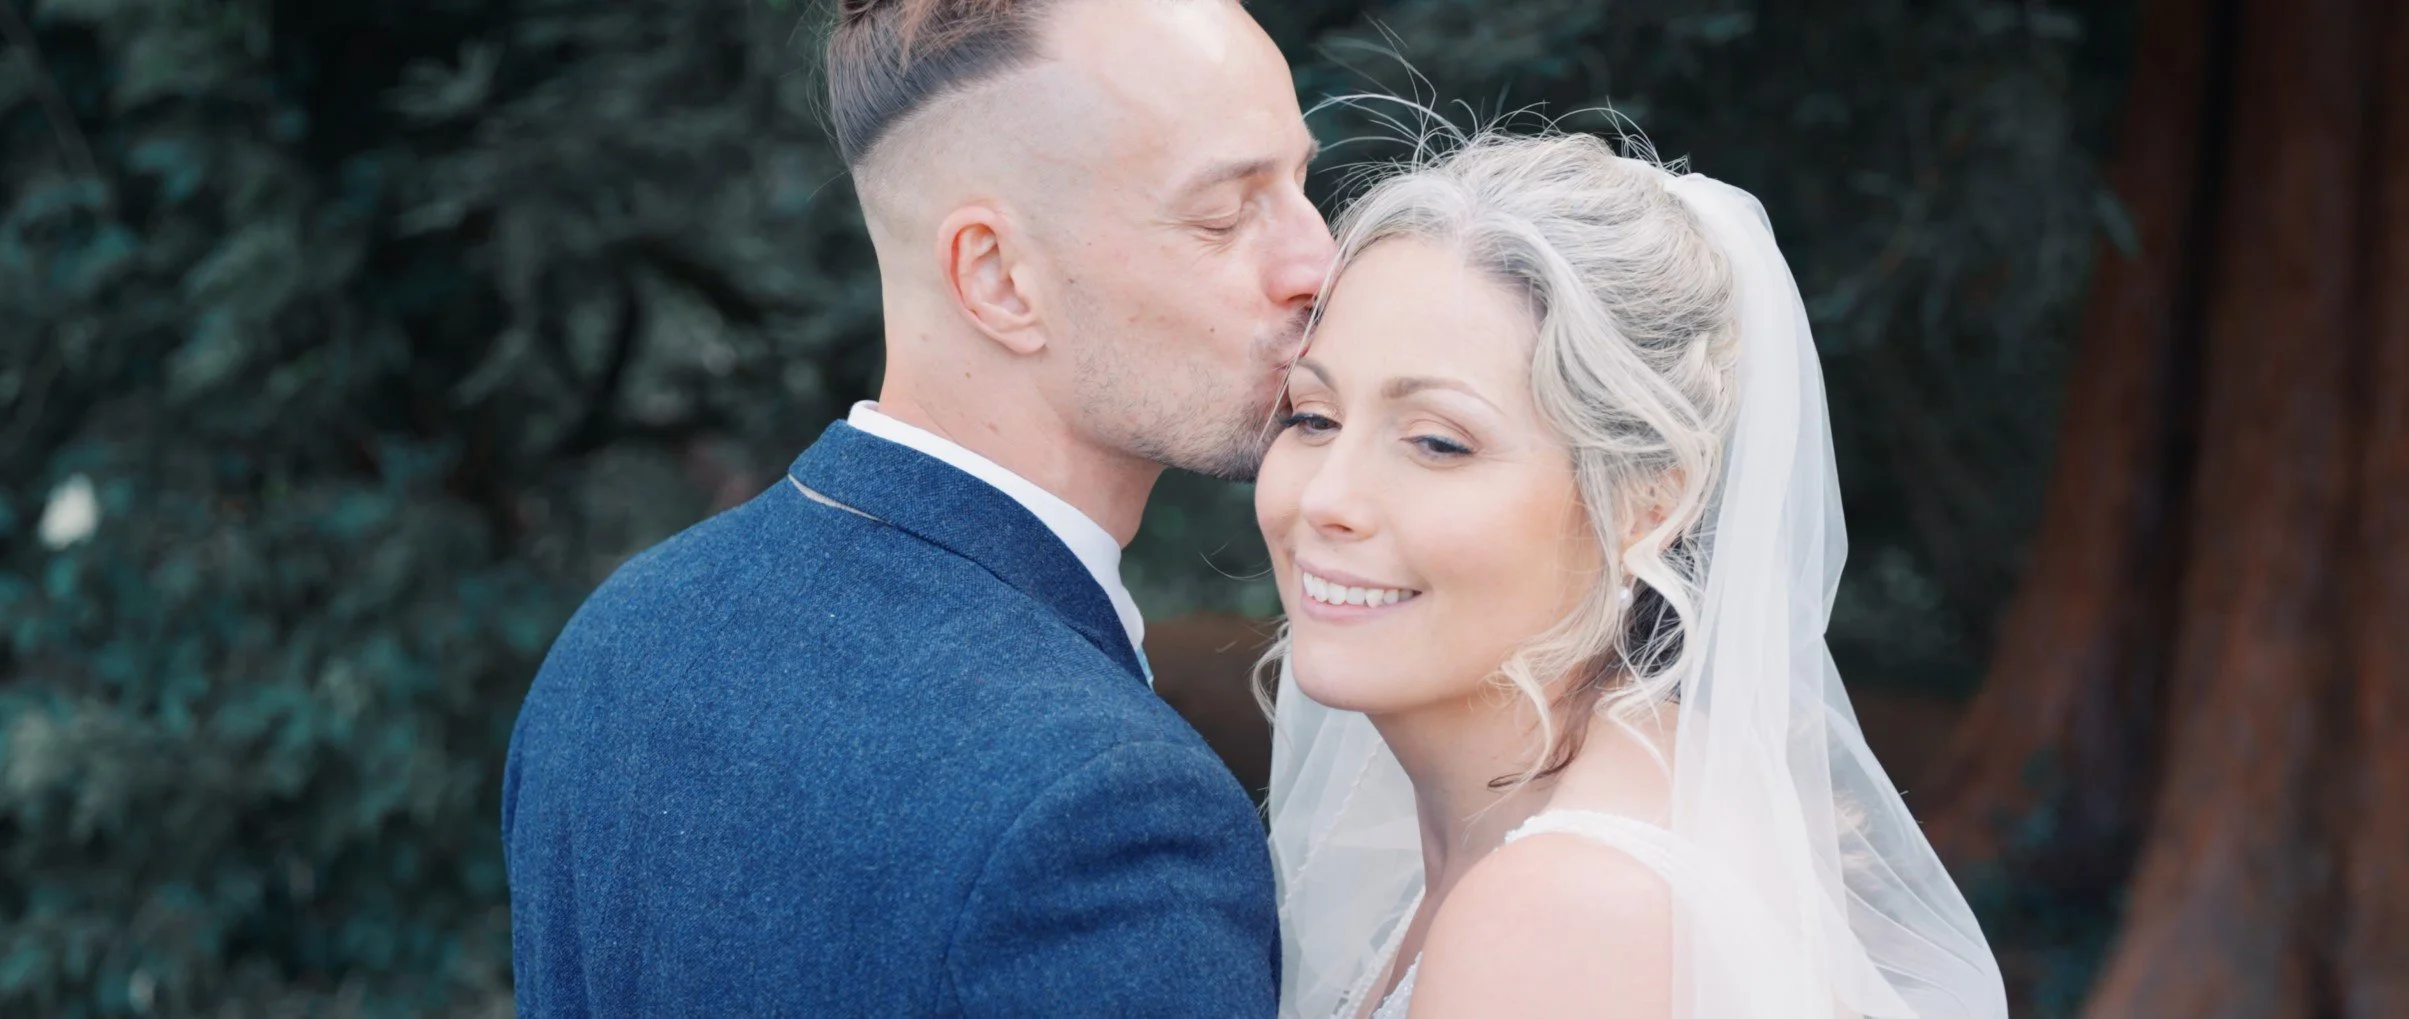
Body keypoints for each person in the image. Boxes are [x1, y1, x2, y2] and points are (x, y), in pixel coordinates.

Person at [501, 0, 1334, 1014]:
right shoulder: (1106, 808)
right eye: (1225, 211)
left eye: (1301, 182)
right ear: (997, 278)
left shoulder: (619, 640)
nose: (1317, 263)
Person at [1257, 129, 2010, 1018]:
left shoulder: (1563, 916)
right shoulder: (1600, 819)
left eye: (1436, 441)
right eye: (1312, 417)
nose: (1328, 498)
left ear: (1648, 505)